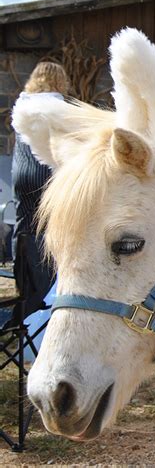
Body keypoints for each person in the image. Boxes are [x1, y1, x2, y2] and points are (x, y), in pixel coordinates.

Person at [9, 62, 69, 327]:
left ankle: (27, 282)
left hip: (21, 174)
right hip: (45, 174)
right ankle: (39, 306)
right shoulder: (59, 106)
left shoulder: (22, 105)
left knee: (27, 224)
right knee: (49, 224)